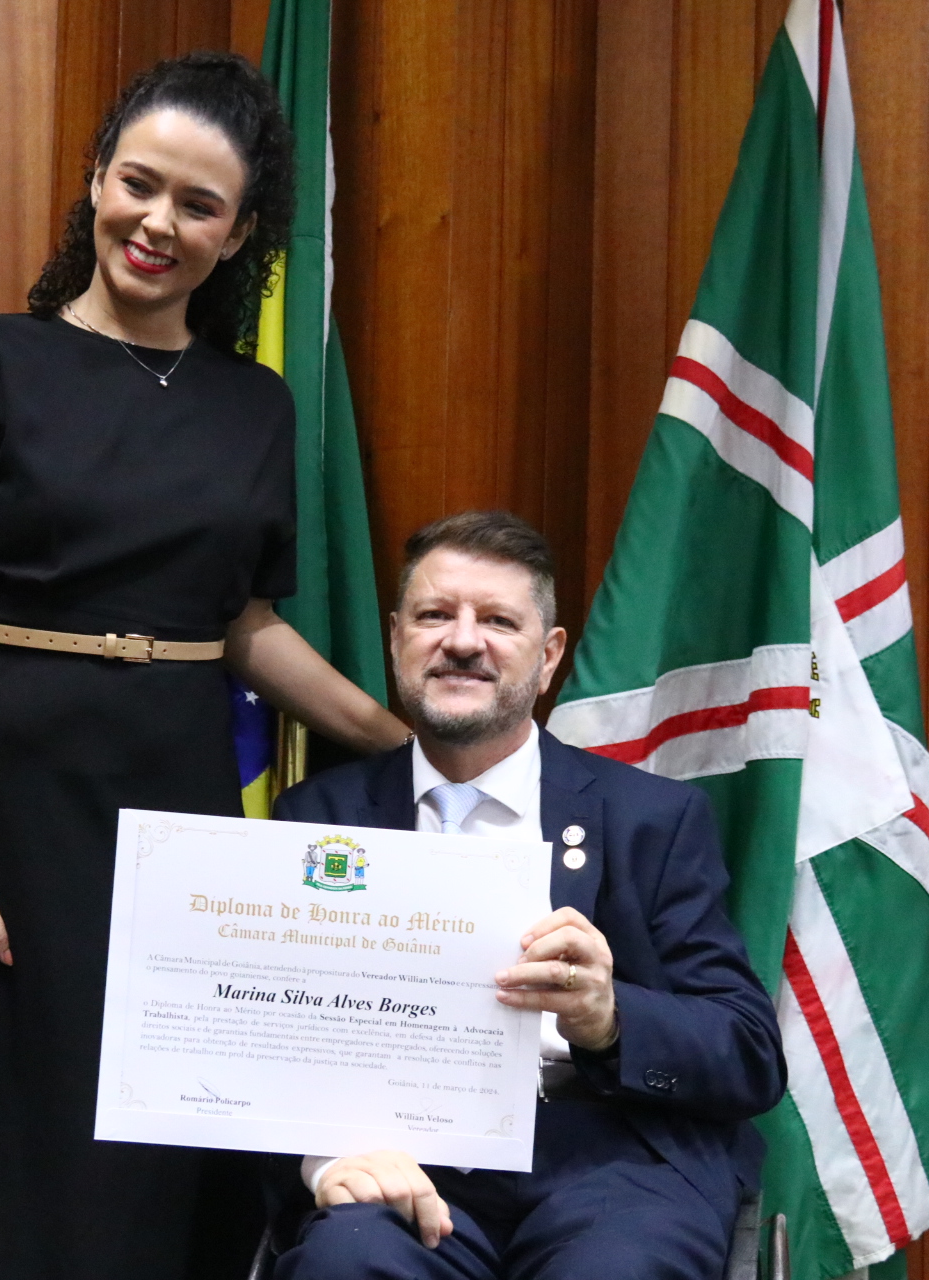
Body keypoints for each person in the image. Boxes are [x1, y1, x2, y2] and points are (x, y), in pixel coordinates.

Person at [0, 51, 411, 1280]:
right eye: (140, 184)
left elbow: (242, 625)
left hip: (170, 830)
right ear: (95, 179)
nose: (158, 222)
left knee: (130, 1175)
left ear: (240, 233)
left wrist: (406, 743)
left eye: (199, 205)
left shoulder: (255, 405)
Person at [269, 511, 786, 1280]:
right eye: (434, 616)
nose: (463, 641)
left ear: (548, 658)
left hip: (613, 1158)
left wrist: (610, 1019)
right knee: (345, 1262)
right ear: (396, 639)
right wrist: (326, 1158)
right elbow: (266, 1037)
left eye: (498, 621)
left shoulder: (651, 819)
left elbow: (749, 1054)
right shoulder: (318, 818)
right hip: (399, 1159)